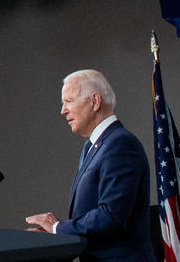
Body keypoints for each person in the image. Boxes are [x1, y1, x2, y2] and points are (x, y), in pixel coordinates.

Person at [26, 69, 156, 262]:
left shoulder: (120, 144)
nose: (63, 110)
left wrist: (58, 228)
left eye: (68, 101)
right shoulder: (92, 146)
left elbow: (111, 216)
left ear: (95, 101)